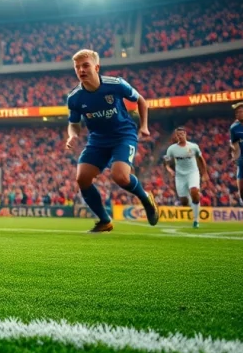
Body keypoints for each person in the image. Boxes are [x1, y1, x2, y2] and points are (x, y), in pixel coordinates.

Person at [65, 49, 158, 232]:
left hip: (123, 135)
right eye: (77, 67)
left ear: (97, 67)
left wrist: (144, 125)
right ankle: (104, 220)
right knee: (82, 179)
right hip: (97, 140)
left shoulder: (115, 85)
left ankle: (146, 198)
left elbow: (141, 100)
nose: (81, 70)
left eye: (85, 65)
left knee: (120, 176)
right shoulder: (74, 97)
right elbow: (73, 123)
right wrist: (72, 135)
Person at [163, 126, 208, 228]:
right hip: (180, 176)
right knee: (184, 202)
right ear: (176, 136)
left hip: (193, 173)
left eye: (181, 134)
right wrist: (168, 169)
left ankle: (196, 221)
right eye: (178, 135)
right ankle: (193, 204)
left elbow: (201, 159)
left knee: (194, 191)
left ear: (185, 134)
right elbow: (166, 161)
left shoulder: (193, 147)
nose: (180, 136)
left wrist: (204, 173)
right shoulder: (172, 149)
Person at [230, 102, 243, 205]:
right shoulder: (234, 128)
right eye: (236, 112)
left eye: (240, 111)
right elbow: (235, 146)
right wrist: (235, 157)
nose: (238, 114)